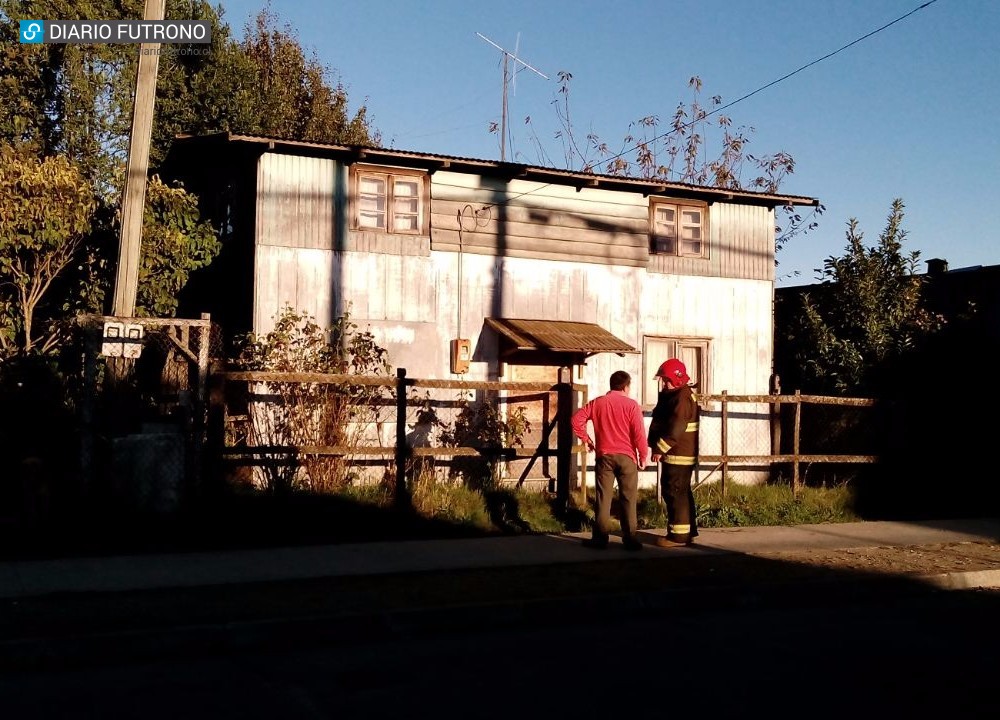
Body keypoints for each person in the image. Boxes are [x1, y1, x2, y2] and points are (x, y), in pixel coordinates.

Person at [571, 370, 649, 551]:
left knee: (603, 498)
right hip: (627, 457)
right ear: (626, 386)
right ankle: (630, 538)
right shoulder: (632, 406)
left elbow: (576, 420)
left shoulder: (598, 403)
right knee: (628, 498)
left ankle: (599, 538)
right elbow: (639, 434)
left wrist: (587, 440)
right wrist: (643, 456)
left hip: (604, 456)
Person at [648, 358, 700, 547]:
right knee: (681, 492)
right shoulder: (680, 395)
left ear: (677, 379)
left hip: (678, 454)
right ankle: (687, 531)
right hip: (680, 453)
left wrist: (659, 449)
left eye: (666, 380)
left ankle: (678, 536)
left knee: (674, 491)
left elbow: (676, 427)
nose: (663, 383)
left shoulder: (681, 398)